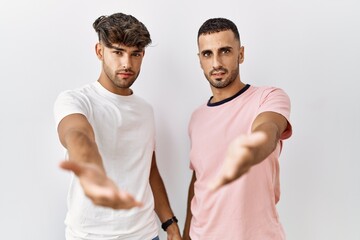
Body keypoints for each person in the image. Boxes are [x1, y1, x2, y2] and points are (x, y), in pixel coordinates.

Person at [54, 13, 181, 240]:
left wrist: (170, 223)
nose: (127, 64)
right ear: (100, 51)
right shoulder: (76, 100)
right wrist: (89, 162)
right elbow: (76, 133)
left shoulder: (145, 110)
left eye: (135, 54)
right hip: (91, 236)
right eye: (118, 52)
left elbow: (148, 171)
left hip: (146, 234)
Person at [183, 17, 292, 240]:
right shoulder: (197, 117)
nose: (216, 63)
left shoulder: (268, 97)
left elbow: (268, 130)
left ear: (240, 54)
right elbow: (198, 180)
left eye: (225, 51)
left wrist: (250, 150)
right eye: (207, 54)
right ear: (199, 59)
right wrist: (185, 235)